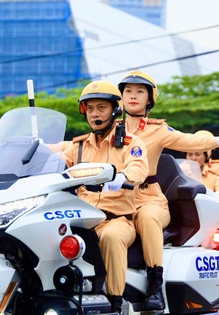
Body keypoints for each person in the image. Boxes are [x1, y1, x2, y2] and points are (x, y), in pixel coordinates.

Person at [118, 70, 219, 311]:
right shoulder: (110, 128)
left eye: (139, 91)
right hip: (113, 196)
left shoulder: (157, 130)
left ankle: (154, 283)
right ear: (120, 97)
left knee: (149, 218)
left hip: (146, 195)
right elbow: (76, 149)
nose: (133, 96)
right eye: (128, 91)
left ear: (149, 99)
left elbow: (188, 141)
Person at [49, 80, 149, 314]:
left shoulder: (130, 143)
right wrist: (30, 147)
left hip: (116, 219)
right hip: (79, 218)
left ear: (115, 109)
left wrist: (122, 176)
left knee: (113, 238)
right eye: (90, 108)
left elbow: (138, 168)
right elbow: (53, 156)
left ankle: (115, 301)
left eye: (101, 108)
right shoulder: (79, 146)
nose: (94, 114)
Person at [185, 147, 219, 275]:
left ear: (206, 156)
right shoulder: (179, 171)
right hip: (186, 213)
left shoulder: (214, 175)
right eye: (189, 154)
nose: (193, 158)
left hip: (211, 214)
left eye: (197, 154)